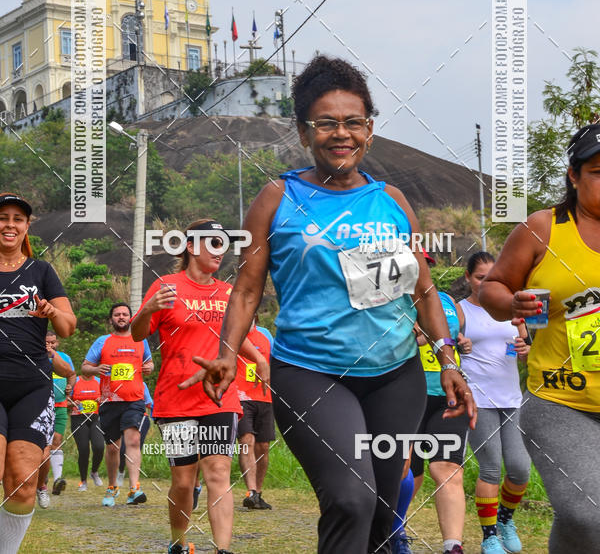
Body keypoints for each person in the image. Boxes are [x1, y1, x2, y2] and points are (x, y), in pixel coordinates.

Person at [185, 56, 475, 554]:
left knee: (385, 510)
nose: (341, 133)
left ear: (369, 129)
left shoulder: (393, 200)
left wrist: (447, 358)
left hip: (396, 376)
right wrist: (229, 352)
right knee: (349, 499)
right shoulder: (278, 197)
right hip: (311, 372)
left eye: (353, 122)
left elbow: (422, 288)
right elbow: (249, 288)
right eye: (326, 123)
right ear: (303, 132)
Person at [479, 124, 600, 554]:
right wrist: (514, 302)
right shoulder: (544, 228)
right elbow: (490, 289)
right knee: (588, 511)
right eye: (599, 172)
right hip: (561, 400)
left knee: (585, 521)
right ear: (573, 175)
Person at [131, 218, 270, 554]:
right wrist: (147, 310)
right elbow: (137, 335)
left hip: (219, 398)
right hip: (176, 399)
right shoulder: (167, 286)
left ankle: (222, 549)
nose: (219, 251)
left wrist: (260, 360)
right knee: (183, 480)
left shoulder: (228, 293)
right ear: (191, 247)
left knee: (219, 470)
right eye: (211, 242)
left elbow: (239, 337)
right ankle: (178, 542)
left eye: (223, 244)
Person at [0, 192, 76, 554]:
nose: (9, 224)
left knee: (23, 483)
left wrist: (50, 312)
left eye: (18, 218)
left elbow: (68, 327)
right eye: (3, 217)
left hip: (32, 388)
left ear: (27, 226)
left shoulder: (41, 271)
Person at [460, 251, 531, 554]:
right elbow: (444, 343)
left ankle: (505, 519)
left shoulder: (510, 309)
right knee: (490, 469)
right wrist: (457, 343)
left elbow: (525, 341)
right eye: (479, 277)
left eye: (491, 277)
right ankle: (489, 536)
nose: (485, 283)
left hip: (512, 397)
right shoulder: (461, 310)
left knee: (519, 469)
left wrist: (524, 346)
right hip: (478, 398)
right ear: (468, 278)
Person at [403, 252, 472, 554]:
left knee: (447, 467)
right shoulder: (393, 301)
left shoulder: (447, 301)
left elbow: (457, 337)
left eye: (426, 266)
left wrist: (462, 343)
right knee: (407, 472)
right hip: (406, 394)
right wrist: (421, 334)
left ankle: (452, 546)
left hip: (448, 396)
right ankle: (392, 530)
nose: (422, 272)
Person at [81, 302, 154, 507]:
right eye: (117, 314)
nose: (121, 317)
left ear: (131, 318)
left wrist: (149, 367)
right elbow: (85, 367)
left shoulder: (140, 340)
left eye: (125, 314)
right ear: (111, 319)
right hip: (110, 401)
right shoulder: (102, 341)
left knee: (133, 440)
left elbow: (149, 363)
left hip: (135, 399)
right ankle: (112, 486)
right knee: (113, 447)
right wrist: (96, 370)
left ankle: (134, 488)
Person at [236, 316, 275, 511]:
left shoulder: (266, 335)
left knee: (263, 447)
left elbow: (275, 360)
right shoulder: (234, 333)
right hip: (240, 397)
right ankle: (250, 491)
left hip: (264, 397)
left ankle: (258, 493)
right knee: (246, 441)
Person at [36, 330, 75, 504]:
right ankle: (40, 479)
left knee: (57, 440)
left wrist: (70, 389)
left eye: (53, 342)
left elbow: (72, 375)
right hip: (40, 404)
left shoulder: (64, 358)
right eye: (47, 342)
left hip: (60, 405)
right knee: (42, 444)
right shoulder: (36, 356)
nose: (50, 345)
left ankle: (58, 480)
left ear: (57, 343)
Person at [70, 373, 104, 490]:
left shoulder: (99, 381)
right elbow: (66, 400)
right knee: (84, 449)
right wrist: (73, 403)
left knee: (99, 446)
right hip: (78, 419)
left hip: (95, 418)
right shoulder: (75, 381)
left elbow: (107, 399)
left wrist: (101, 400)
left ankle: (94, 472)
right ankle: (83, 481)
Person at [116, 381, 153, 488]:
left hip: (140, 418)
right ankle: (121, 472)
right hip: (121, 418)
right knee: (122, 450)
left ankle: (135, 483)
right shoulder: (116, 382)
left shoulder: (142, 384)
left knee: (134, 448)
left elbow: (149, 402)